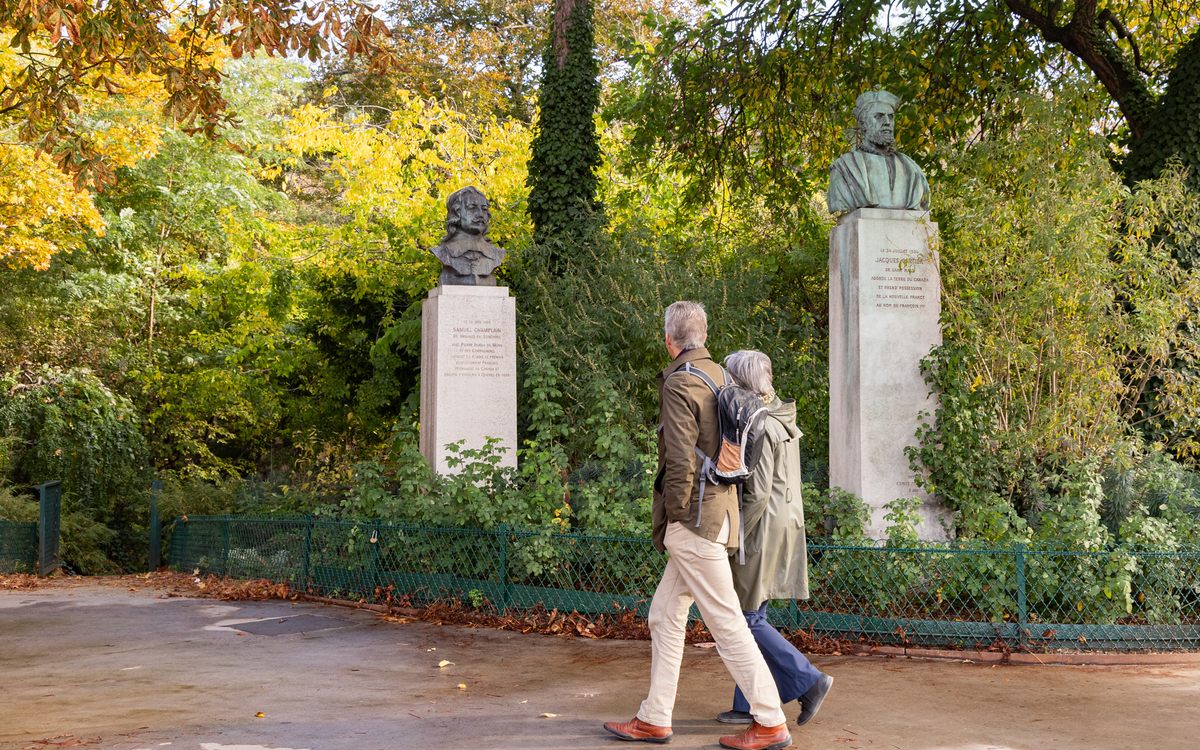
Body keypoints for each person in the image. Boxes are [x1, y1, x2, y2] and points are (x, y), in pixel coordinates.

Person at [604, 302, 792, 750]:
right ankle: (654, 717)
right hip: (722, 515)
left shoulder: (679, 381)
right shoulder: (724, 378)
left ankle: (770, 721)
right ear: (703, 335)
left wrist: (674, 519)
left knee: (726, 623)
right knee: (665, 615)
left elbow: (680, 460)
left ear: (669, 339)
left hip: (694, 521)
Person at [715, 350, 834, 728]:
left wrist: (733, 538)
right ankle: (749, 702)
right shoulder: (779, 411)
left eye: (731, 377)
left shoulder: (760, 421)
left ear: (742, 380)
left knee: (745, 618)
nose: (727, 384)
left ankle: (809, 680)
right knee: (752, 612)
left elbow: (759, 490)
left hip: (761, 526)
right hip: (783, 522)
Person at [827, 89, 930, 213]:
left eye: (890, 117)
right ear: (863, 124)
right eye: (879, 117)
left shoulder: (912, 169)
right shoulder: (844, 168)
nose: (887, 122)